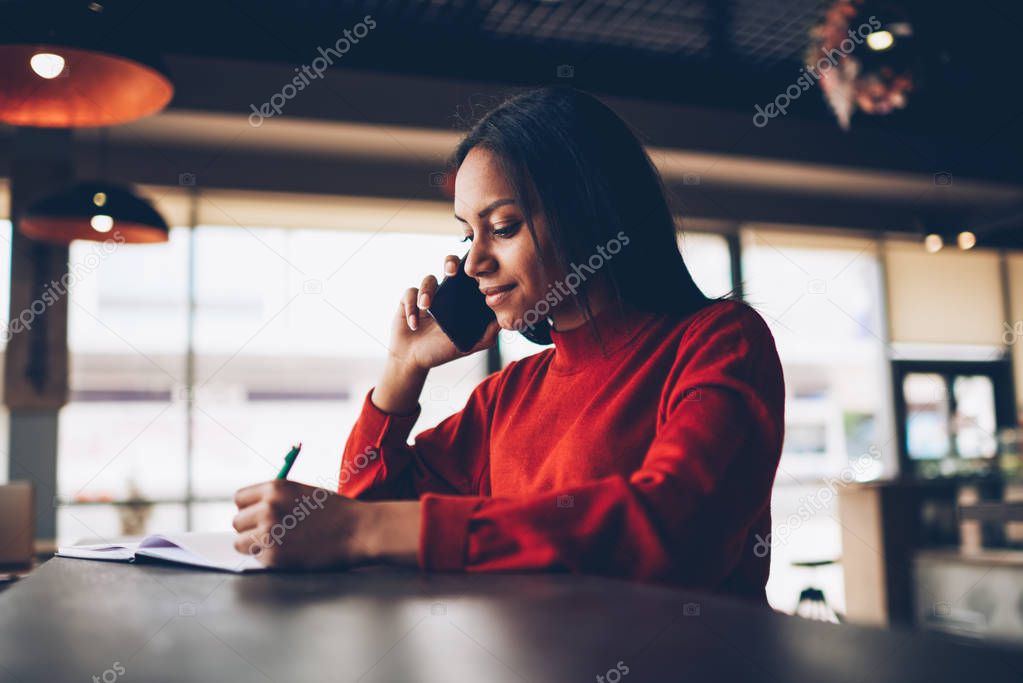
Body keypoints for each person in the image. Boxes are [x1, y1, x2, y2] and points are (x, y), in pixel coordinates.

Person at [233, 86, 785, 603]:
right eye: (468, 234)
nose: (474, 263)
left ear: (591, 215)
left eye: (503, 226)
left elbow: (674, 531)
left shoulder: (720, 340)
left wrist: (368, 528)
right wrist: (404, 368)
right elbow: (365, 515)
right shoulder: (510, 394)